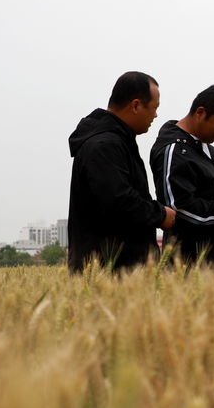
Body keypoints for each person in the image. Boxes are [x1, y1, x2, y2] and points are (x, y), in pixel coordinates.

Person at [68, 72, 176, 273]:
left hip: (119, 271)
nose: (156, 115)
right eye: (154, 108)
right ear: (135, 106)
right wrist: (160, 214)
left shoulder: (116, 141)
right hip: (110, 272)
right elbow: (119, 202)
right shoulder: (104, 145)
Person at [149, 83, 214, 267]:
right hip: (191, 263)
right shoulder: (174, 150)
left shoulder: (201, 148)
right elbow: (178, 209)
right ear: (200, 112)